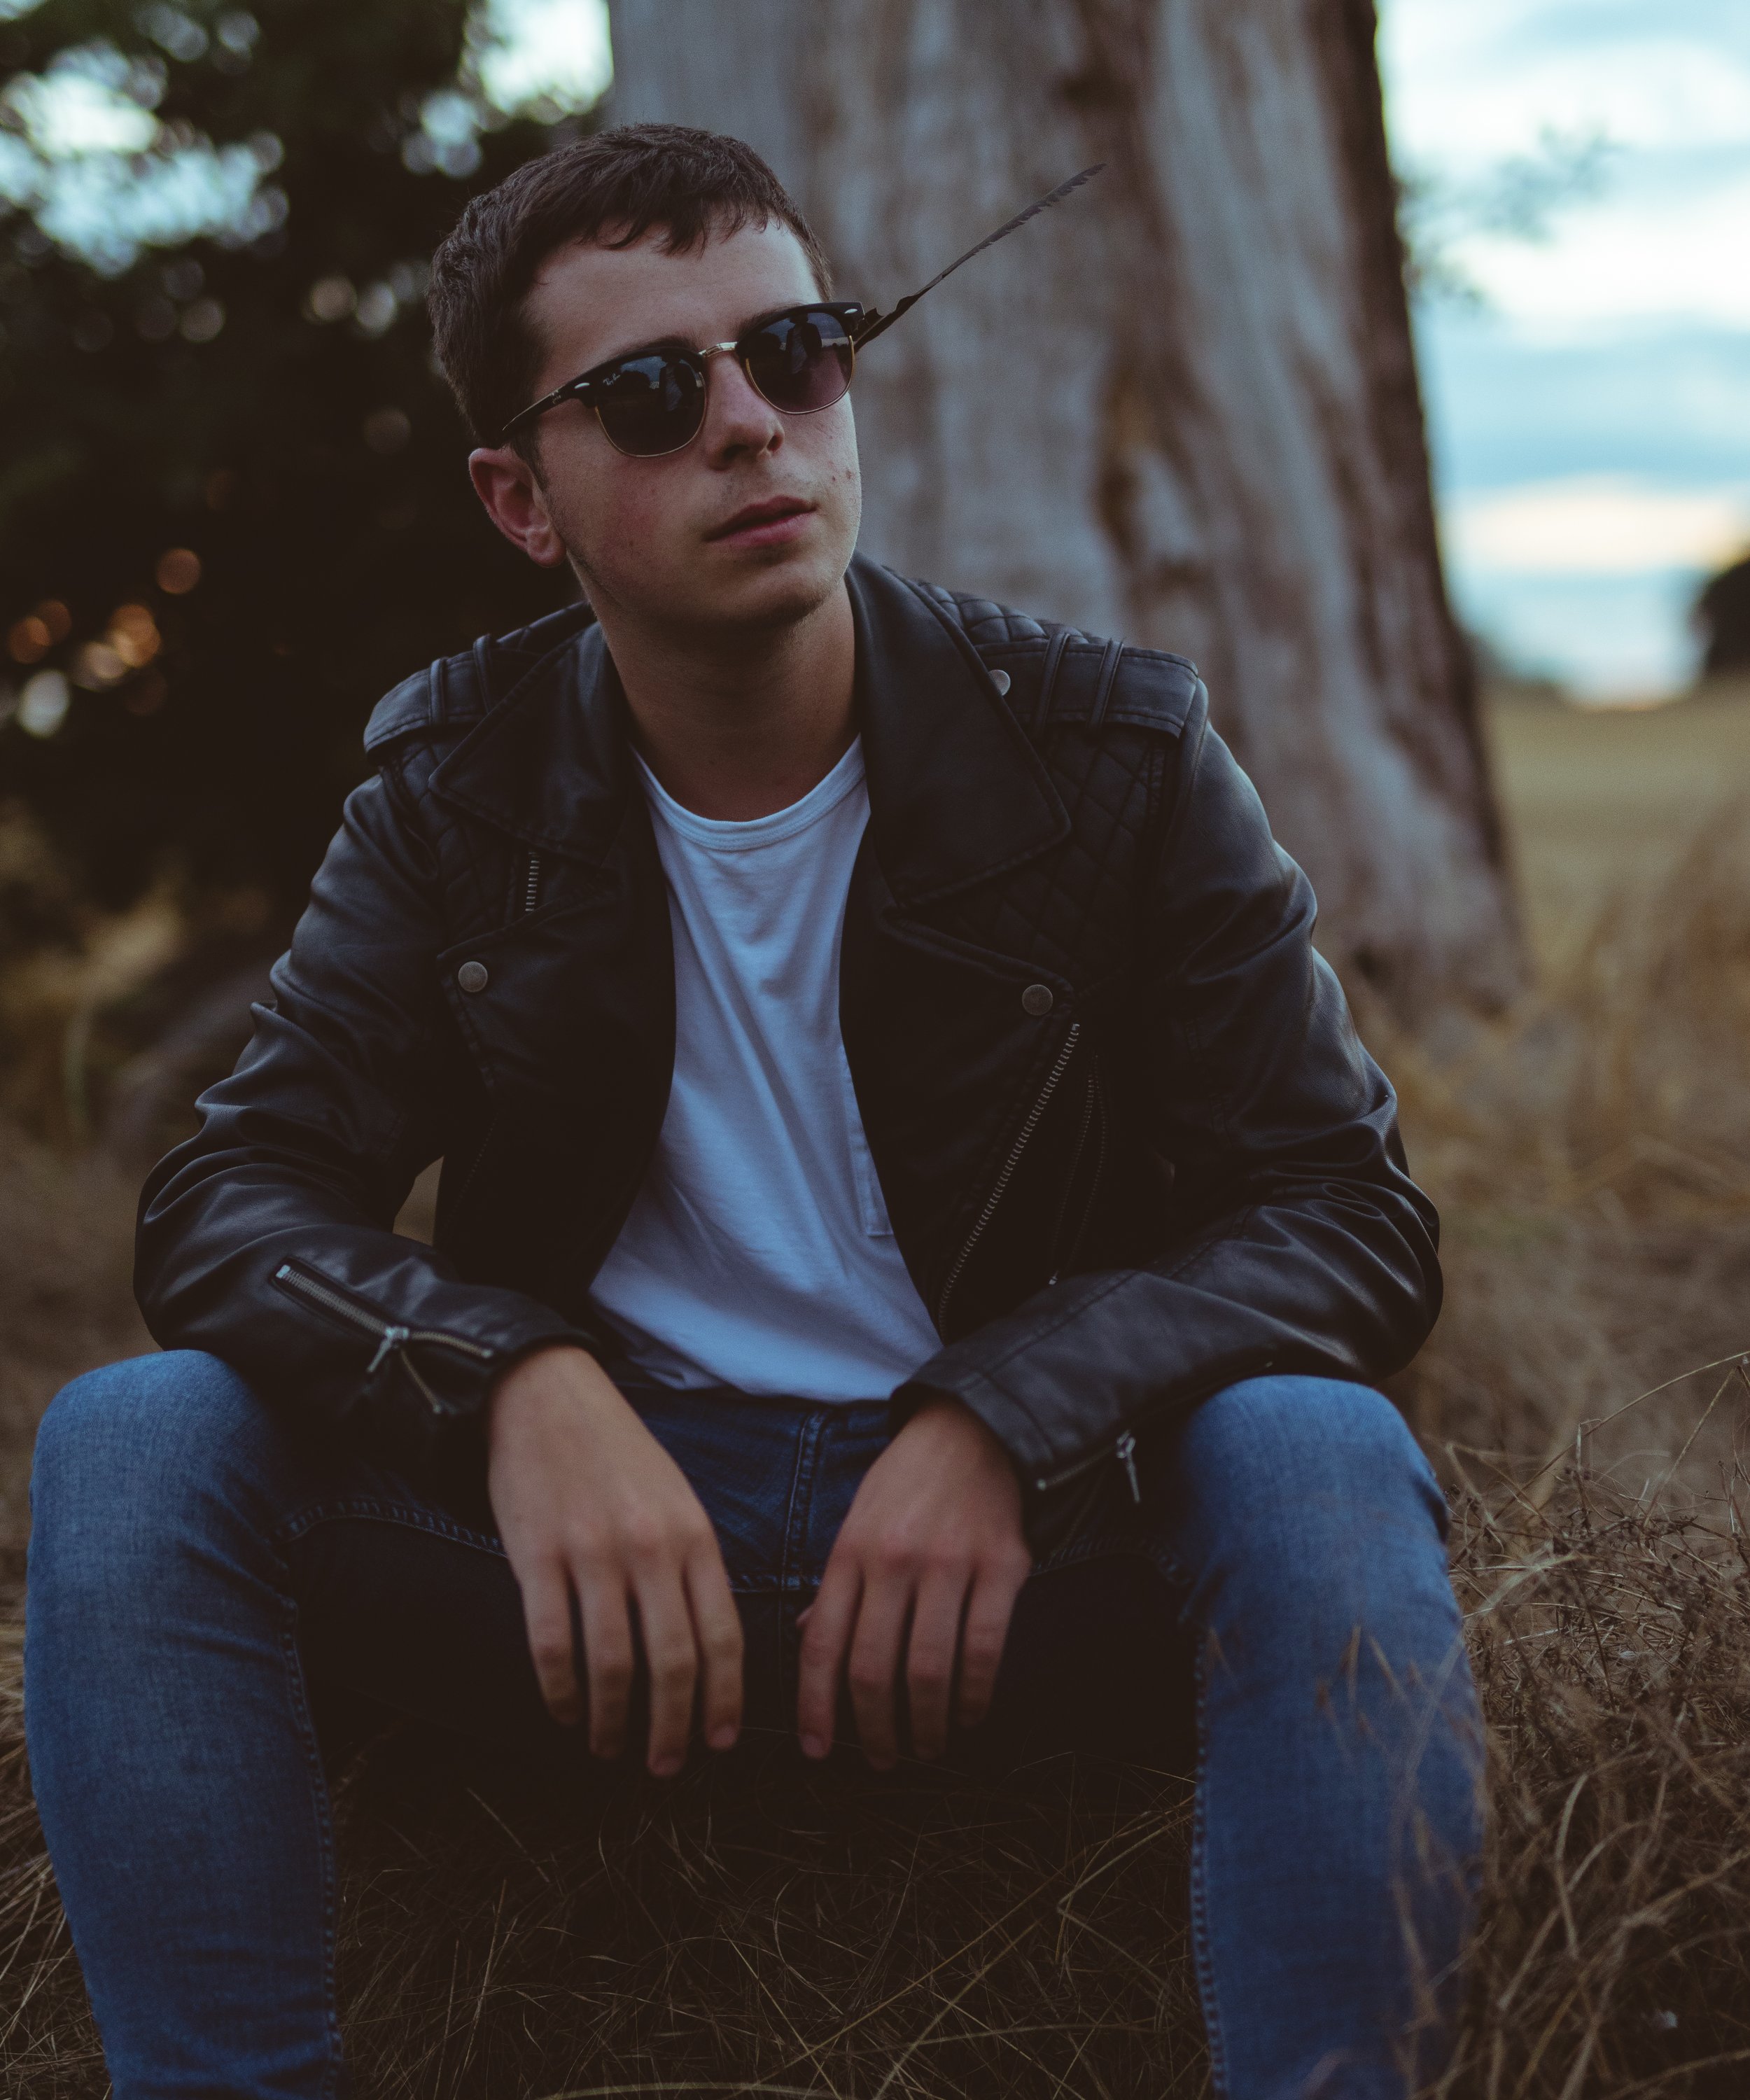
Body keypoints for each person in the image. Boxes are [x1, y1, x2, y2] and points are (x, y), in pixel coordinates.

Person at [24, 124, 1482, 2099]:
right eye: (648, 391)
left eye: (795, 350)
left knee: (1313, 1453)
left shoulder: (1114, 753)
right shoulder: (453, 794)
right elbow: (231, 1197)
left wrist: (1010, 1408)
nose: (749, 427)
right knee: (136, 1444)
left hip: (1021, 1562)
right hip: (605, 1589)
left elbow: (1344, 1212)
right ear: (518, 500)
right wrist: (513, 1385)